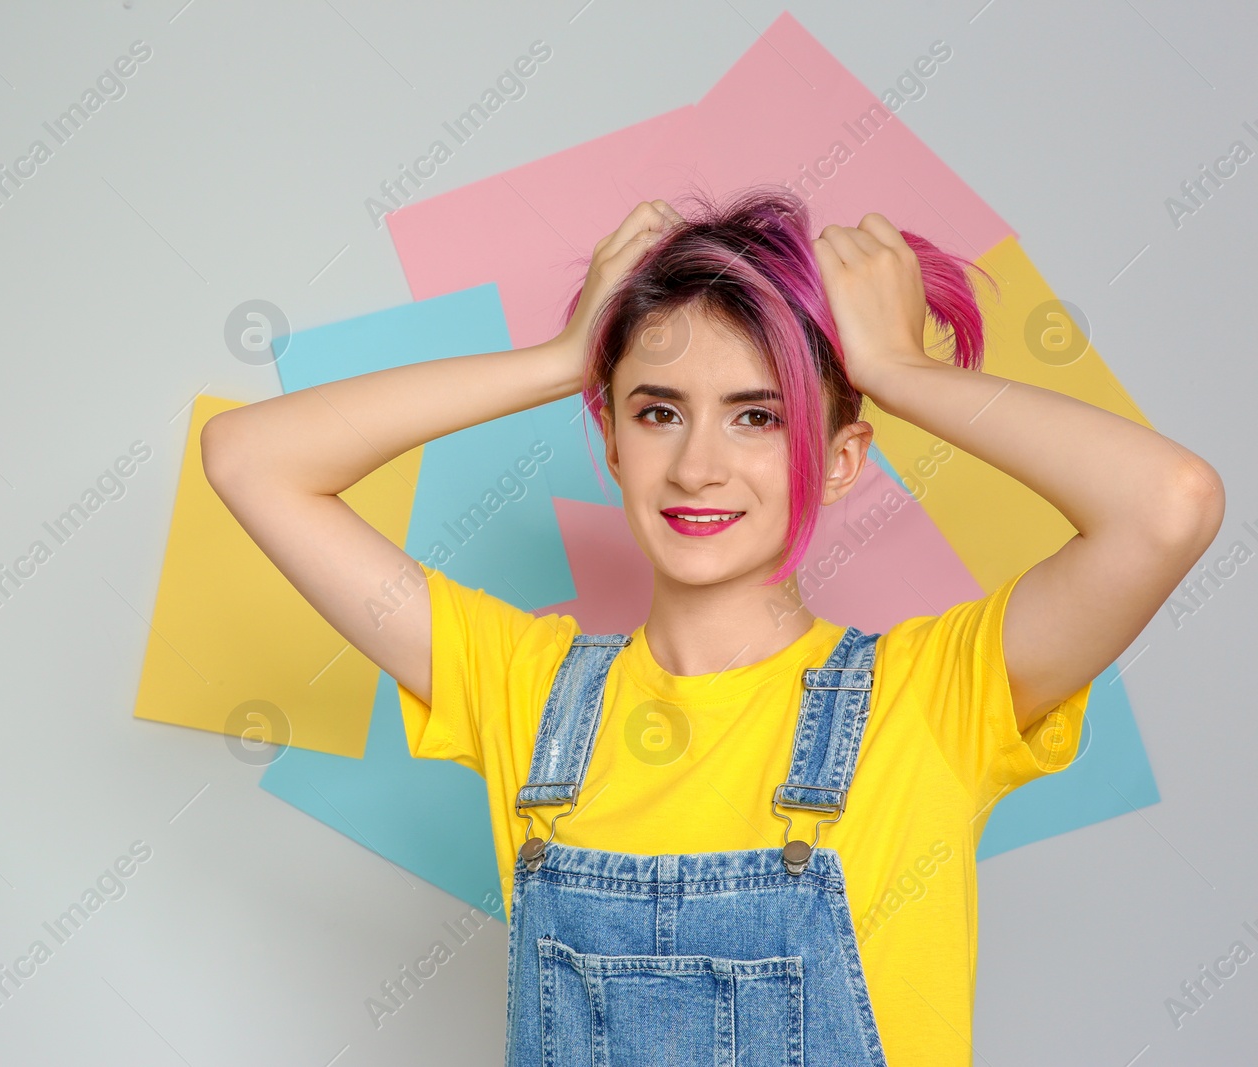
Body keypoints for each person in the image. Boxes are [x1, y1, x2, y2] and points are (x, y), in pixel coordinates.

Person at [201, 189, 1224, 1065]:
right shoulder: (522, 688)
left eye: (759, 414)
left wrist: (903, 370)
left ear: (838, 455)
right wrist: (562, 359)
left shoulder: (935, 695)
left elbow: (1167, 503)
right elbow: (250, 457)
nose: (696, 466)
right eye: (656, 412)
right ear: (606, 438)